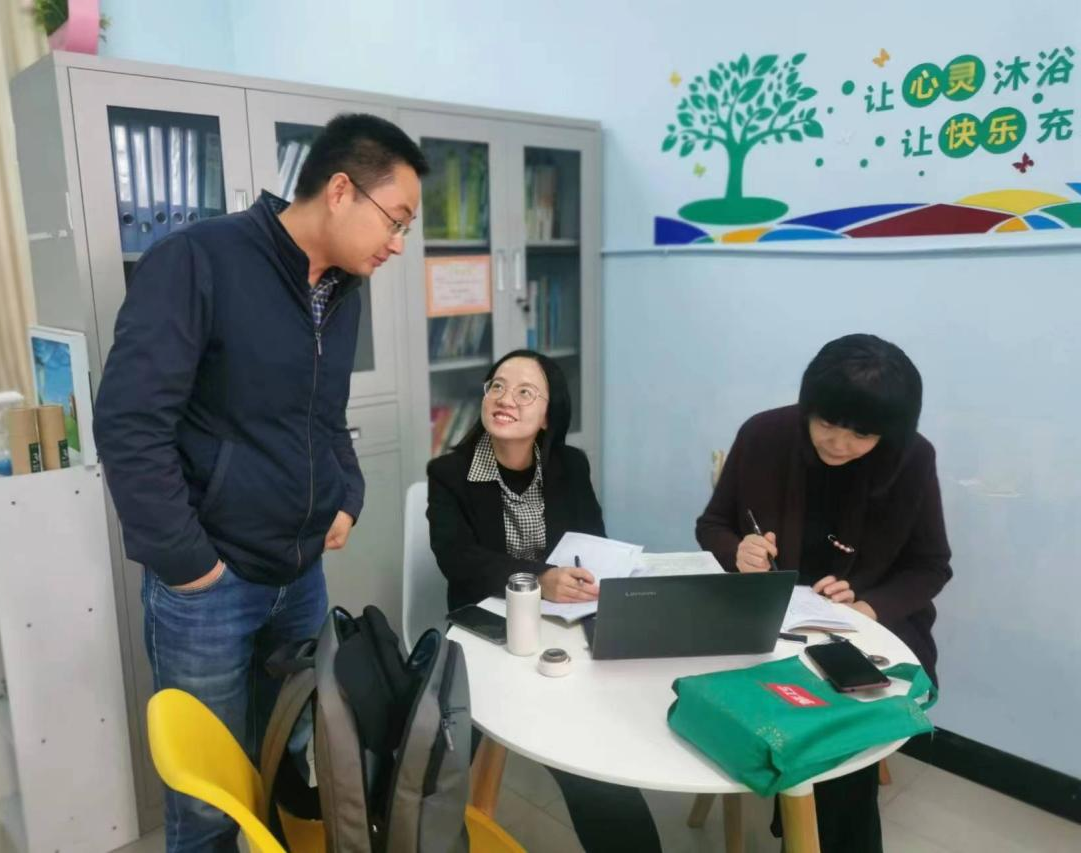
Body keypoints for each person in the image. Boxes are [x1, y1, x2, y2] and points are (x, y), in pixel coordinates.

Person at [94, 114, 428, 852]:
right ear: (340, 191)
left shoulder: (342, 288)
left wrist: (346, 493)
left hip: (299, 575)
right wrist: (189, 564)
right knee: (208, 803)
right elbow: (129, 423)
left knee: (290, 765)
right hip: (212, 583)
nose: (399, 243)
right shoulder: (198, 260)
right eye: (396, 219)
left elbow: (323, 415)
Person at [696, 333, 952, 853]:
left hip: (871, 628)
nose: (838, 443)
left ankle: (807, 829)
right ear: (809, 405)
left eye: (861, 434)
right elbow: (712, 524)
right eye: (827, 422)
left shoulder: (912, 459)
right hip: (766, 617)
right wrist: (739, 551)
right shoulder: (764, 434)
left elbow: (930, 566)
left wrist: (867, 607)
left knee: (838, 719)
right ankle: (801, 822)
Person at [427, 350, 662, 853]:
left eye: (524, 392)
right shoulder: (449, 473)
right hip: (486, 628)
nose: (505, 399)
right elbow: (458, 559)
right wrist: (541, 579)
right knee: (438, 764)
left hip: (564, 625)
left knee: (590, 747)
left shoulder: (569, 465)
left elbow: (593, 538)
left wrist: (582, 579)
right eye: (496, 386)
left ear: (548, 416)